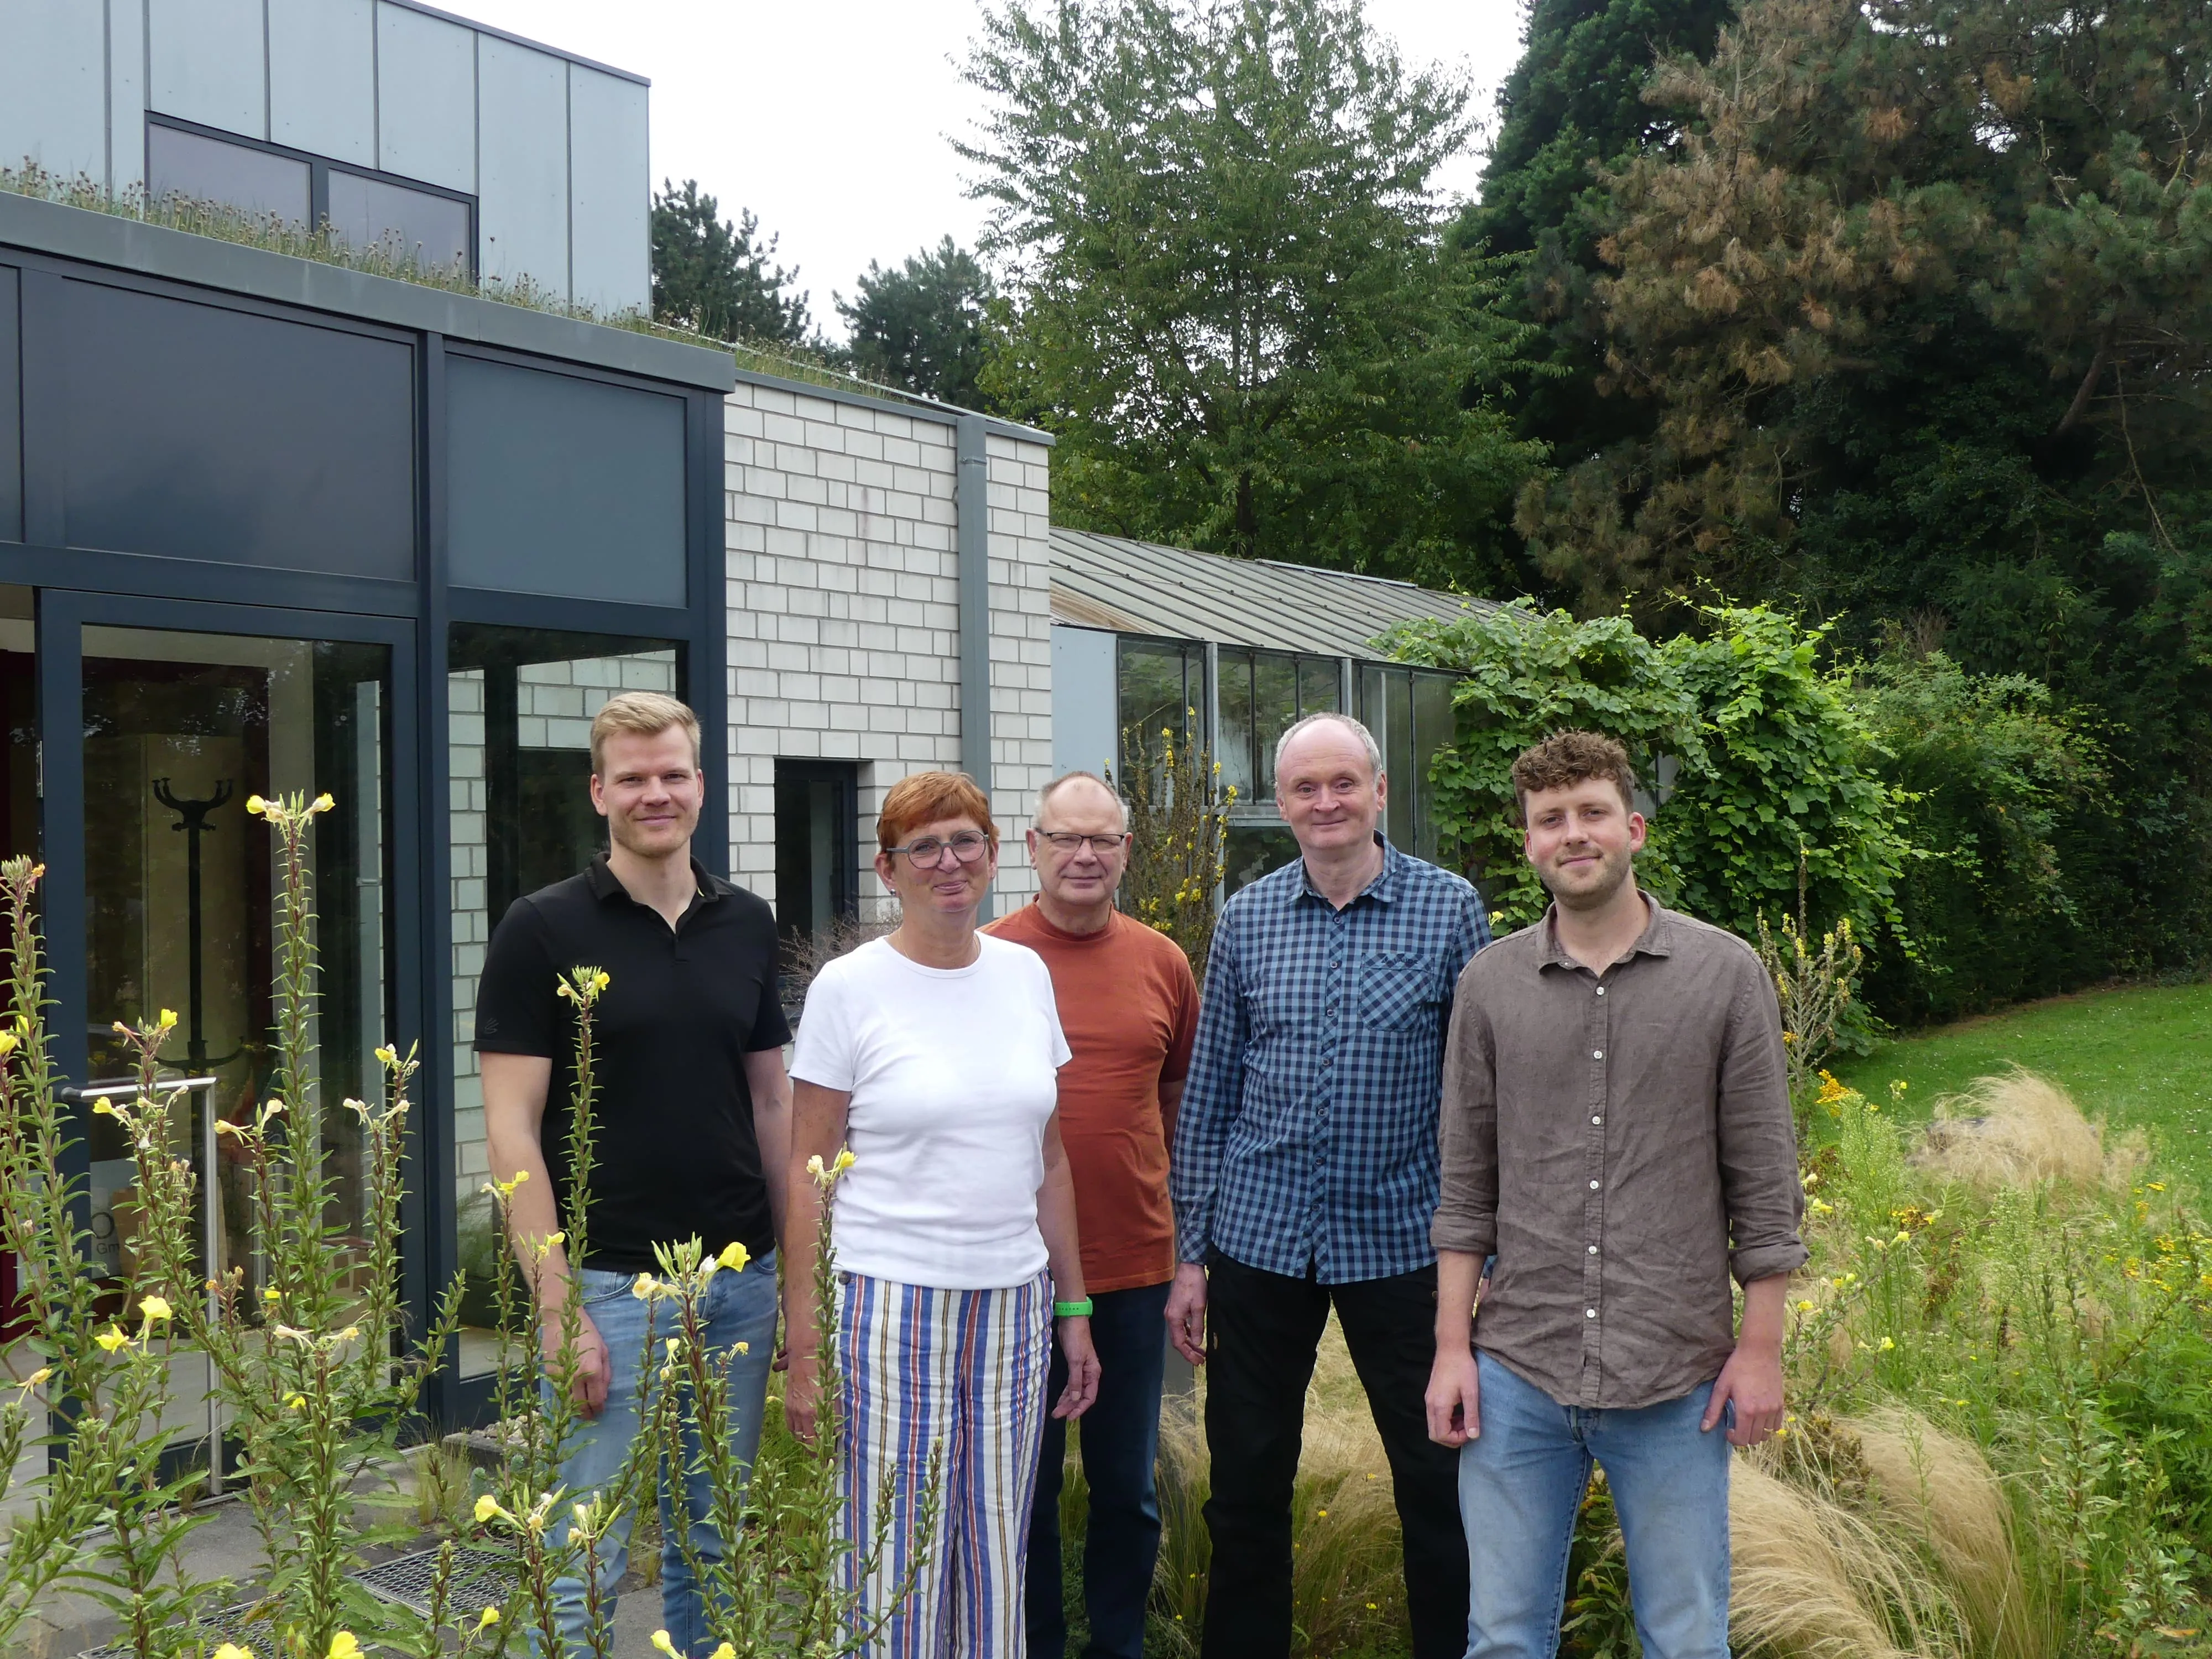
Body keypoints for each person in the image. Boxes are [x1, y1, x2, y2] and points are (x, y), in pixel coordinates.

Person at [1425, 730, 1807, 1659]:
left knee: (1684, 1637)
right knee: (1504, 1635)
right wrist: (1450, 1349)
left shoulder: (1724, 974)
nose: (1573, 834)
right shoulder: (1489, 985)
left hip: (1676, 1374)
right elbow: (1466, 1183)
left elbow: (1764, 1177)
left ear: (1633, 827)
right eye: (1550, 820)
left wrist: (1760, 1350)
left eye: (1592, 813)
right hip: (1519, 1367)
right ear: (1529, 844)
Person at [476, 691, 791, 1659]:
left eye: (673, 775)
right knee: (578, 1561)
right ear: (599, 791)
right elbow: (511, 1133)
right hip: (607, 1288)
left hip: (739, 1286)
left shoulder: (747, 920)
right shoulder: (542, 928)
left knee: (714, 1549)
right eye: (634, 778)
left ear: (700, 783)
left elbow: (772, 1105)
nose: (655, 794)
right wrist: (558, 1308)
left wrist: (795, 1280)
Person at [1168, 712, 1489, 1659]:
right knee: (1249, 1481)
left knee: (1438, 1479)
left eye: (1343, 783)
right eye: (1306, 788)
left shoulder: (1450, 909)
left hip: (1402, 1238)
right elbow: (1213, 1087)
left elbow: (1478, 1094)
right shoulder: (1248, 917)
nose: (1326, 802)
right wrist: (1192, 1254)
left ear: (1380, 792)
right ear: (1281, 804)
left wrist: (1485, 1247)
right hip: (1260, 1238)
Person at [785, 769, 1102, 1659]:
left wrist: (1073, 1309)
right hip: (889, 1307)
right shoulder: (850, 989)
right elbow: (810, 1176)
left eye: (966, 841)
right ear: (888, 870)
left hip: (1012, 1305)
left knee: (998, 1549)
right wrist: (803, 1348)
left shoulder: (1025, 974)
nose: (948, 862)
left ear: (997, 856)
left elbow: (1047, 1157)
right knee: (892, 1563)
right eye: (924, 847)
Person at [984, 772, 1201, 1659]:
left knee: (1126, 1488)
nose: (1084, 855)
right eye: (1065, 838)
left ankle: (1117, 1645)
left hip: (1135, 1267)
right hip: (1012, 1271)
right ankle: (1031, 1643)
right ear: (1031, 847)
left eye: (1102, 840)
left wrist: (1191, 1240)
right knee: (1021, 1494)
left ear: (1126, 852)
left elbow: (1181, 1100)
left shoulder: (1162, 962)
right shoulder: (989, 958)